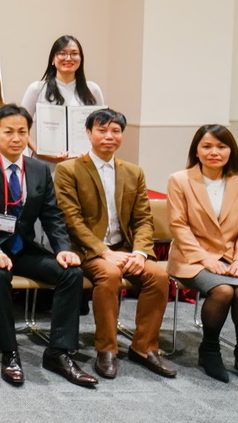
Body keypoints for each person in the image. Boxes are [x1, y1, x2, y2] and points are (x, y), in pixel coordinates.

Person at [0, 104, 95, 387]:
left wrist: (62, 249)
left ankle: (59, 352)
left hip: (22, 248)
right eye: (8, 132)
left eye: (22, 132)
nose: (16, 138)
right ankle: (9, 352)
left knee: (71, 273)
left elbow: (52, 215)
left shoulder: (38, 170)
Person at [54, 109, 176, 379]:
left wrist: (140, 253)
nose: (109, 136)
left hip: (125, 249)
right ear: (88, 133)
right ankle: (107, 349)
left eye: (116, 131)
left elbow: (143, 219)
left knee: (158, 276)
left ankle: (144, 347)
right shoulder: (69, 170)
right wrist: (104, 252)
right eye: (102, 130)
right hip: (87, 251)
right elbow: (71, 219)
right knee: (109, 275)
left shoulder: (133, 172)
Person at [167, 125, 238, 385]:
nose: (214, 152)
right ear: (196, 151)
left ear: (231, 151)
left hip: (233, 257)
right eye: (207, 146)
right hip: (190, 257)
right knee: (223, 291)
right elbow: (178, 225)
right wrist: (204, 258)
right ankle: (209, 349)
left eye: (221, 146)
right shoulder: (180, 180)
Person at [21, 35, 105, 163]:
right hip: (45, 163)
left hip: (82, 163)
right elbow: (20, 125)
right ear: (53, 59)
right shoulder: (36, 88)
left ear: (81, 59)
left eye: (74, 54)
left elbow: (101, 127)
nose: (68, 58)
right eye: (62, 53)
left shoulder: (92, 90)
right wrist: (38, 151)